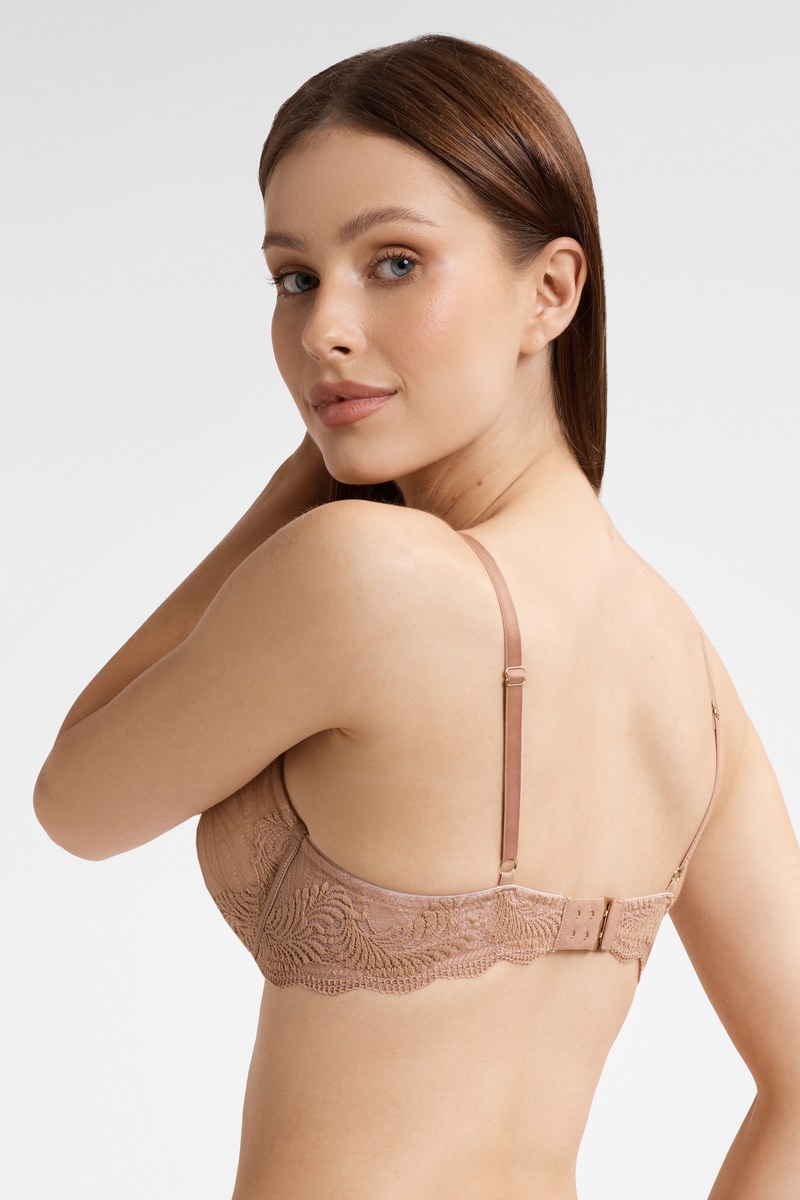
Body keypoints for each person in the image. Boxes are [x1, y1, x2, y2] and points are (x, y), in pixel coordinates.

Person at [33, 32, 800, 1200]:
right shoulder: (687, 670)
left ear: (550, 292)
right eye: (294, 278)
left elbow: (75, 801)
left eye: (393, 262)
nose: (322, 331)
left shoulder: (360, 575)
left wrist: (311, 467)